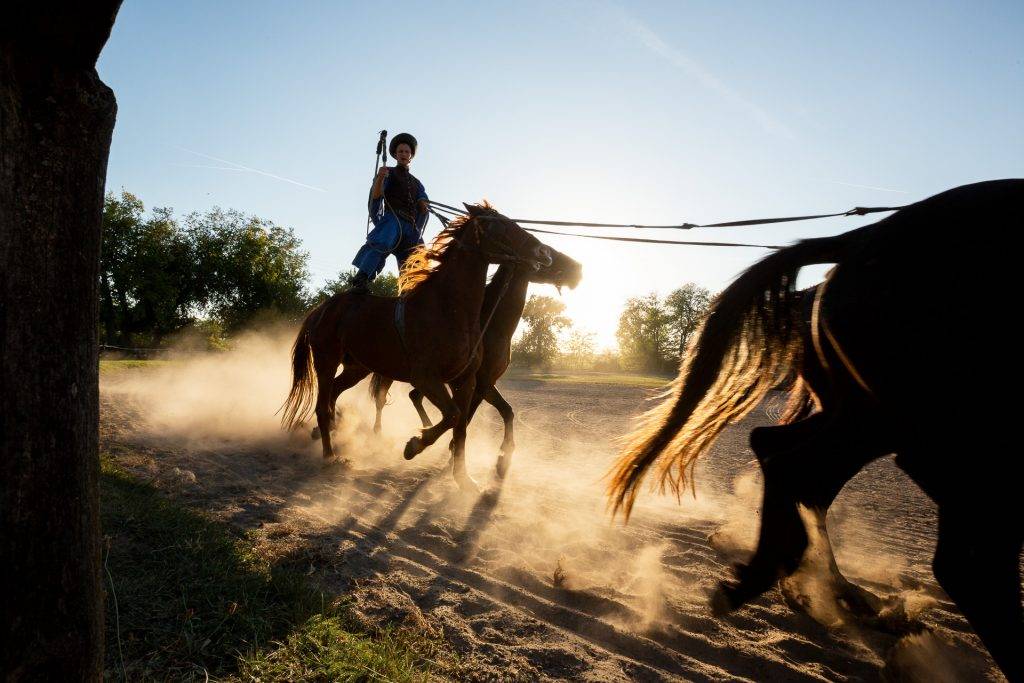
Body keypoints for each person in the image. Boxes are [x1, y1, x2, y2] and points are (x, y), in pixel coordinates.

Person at [349, 132, 429, 293]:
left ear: (411, 155)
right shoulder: (389, 173)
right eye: (400, 151)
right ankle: (362, 277)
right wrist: (380, 178)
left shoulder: (417, 183)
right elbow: (377, 195)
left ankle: (413, 290)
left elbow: (423, 203)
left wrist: (423, 203)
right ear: (395, 154)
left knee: (419, 255)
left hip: (411, 226)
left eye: (407, 152)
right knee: (382, 240)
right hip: (394, 219)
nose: (404, 154)